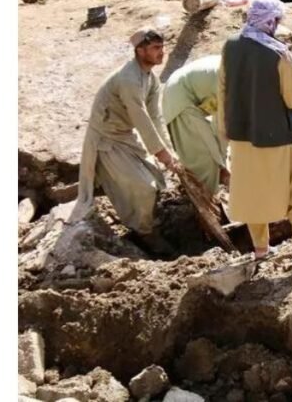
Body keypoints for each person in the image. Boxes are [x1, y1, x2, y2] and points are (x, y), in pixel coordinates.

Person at [217, 0, 292, 269]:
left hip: (241, 137)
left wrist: (224, 132)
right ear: (270, 22)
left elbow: (222, 90)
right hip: (277, 139)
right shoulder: (279, 54)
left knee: (252, 194)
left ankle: (261, 250)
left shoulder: (231, 47)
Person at [75, 28, 179, 245]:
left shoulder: (150, 79)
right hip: (107, 139)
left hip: (125, 135)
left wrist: (170, 152)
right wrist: (162, 154)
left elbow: (155, 116)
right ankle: (143, 232)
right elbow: (141, 118)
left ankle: (149, 220)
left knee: (156, 177)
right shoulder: (129, 79)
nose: (162, 53)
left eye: (162, 47)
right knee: (144, 186)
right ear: (140, 51)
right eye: (155, 48)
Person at [162, 55, 229, 193]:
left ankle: (214, 189)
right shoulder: (235, 79)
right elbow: (224, 125)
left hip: (197, 95)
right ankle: (204, 204)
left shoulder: (241, 68)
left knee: (214, 151)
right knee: (204, 158)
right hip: (180, 97)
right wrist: (222, 163)